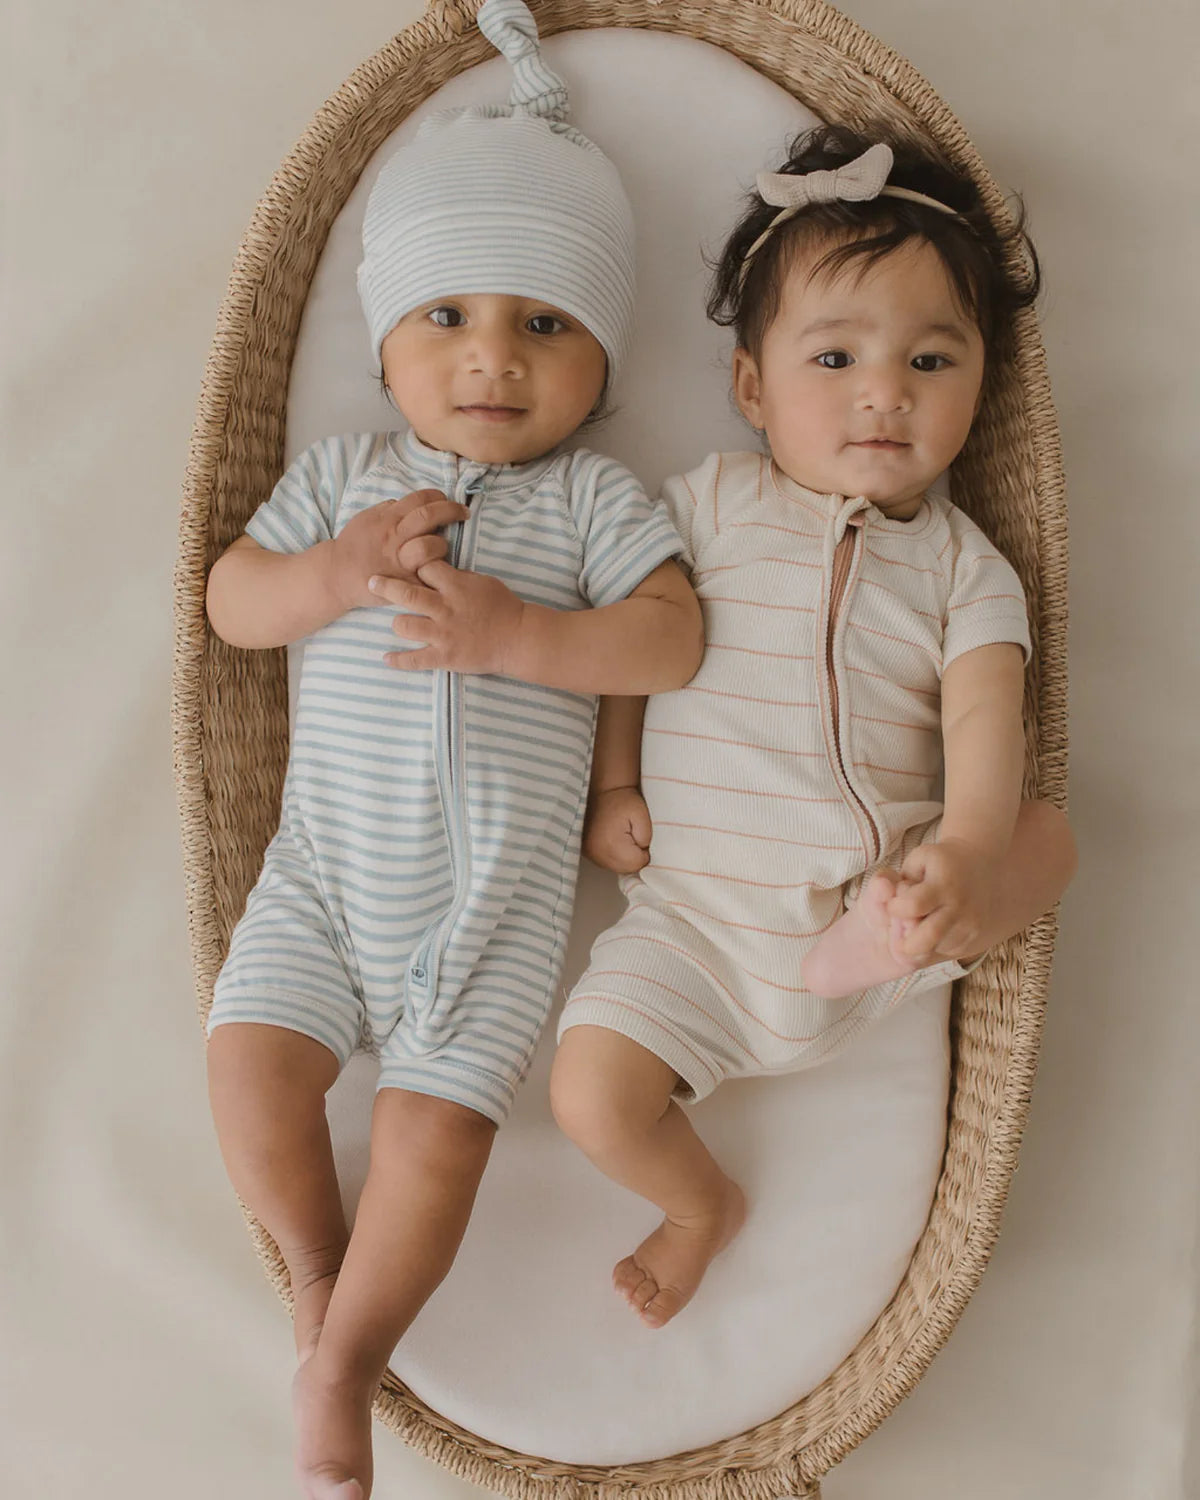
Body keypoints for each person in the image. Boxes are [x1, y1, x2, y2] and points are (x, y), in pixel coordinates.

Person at [203, 4, 700, 1496]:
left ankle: (347, 1364)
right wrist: (335, 577)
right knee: (242, 1067)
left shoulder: (597, 504)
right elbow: (234, 605)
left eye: (544, 324)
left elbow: (669, 639)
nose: (494, 359)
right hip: (326, 873)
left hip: (491, 912)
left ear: (605, 361)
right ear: (386, 341)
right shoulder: (346, 479)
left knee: (436, 1141)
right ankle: (312, 1275)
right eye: (450, 317)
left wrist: (523, 642)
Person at [551, 125, 1077, 1332]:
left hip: (872, 898)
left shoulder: (966, 569)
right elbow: (640, 641)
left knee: (1048, 835)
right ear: (751, 388)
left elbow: (988, 713)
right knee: (589, 1093)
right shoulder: (713, 503)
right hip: (687, 929)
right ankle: (699, 1208)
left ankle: (878, 943)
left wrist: (965, 850)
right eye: (835, 356)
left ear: (982, 381)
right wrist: (612, 779)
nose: (885, 391)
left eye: (932, 361)